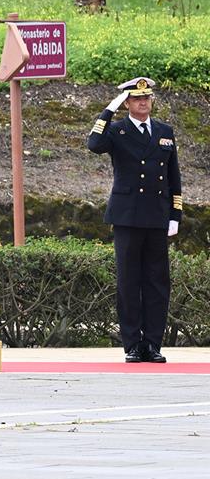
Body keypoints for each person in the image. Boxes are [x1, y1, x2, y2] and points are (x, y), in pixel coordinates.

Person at [86, 77, 182, 363]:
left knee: (156, 283)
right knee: (129, 282)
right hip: (127, 216)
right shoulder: (117, 130)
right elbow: (94, 144)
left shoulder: (165, 132)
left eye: (147, 98)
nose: (143, 102)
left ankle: (152, 344)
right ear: (126, 103)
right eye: (137, 98)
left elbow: (174, 176)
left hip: (156, 215)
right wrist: (107, 111)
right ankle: (132, 344)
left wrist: (175, 214)